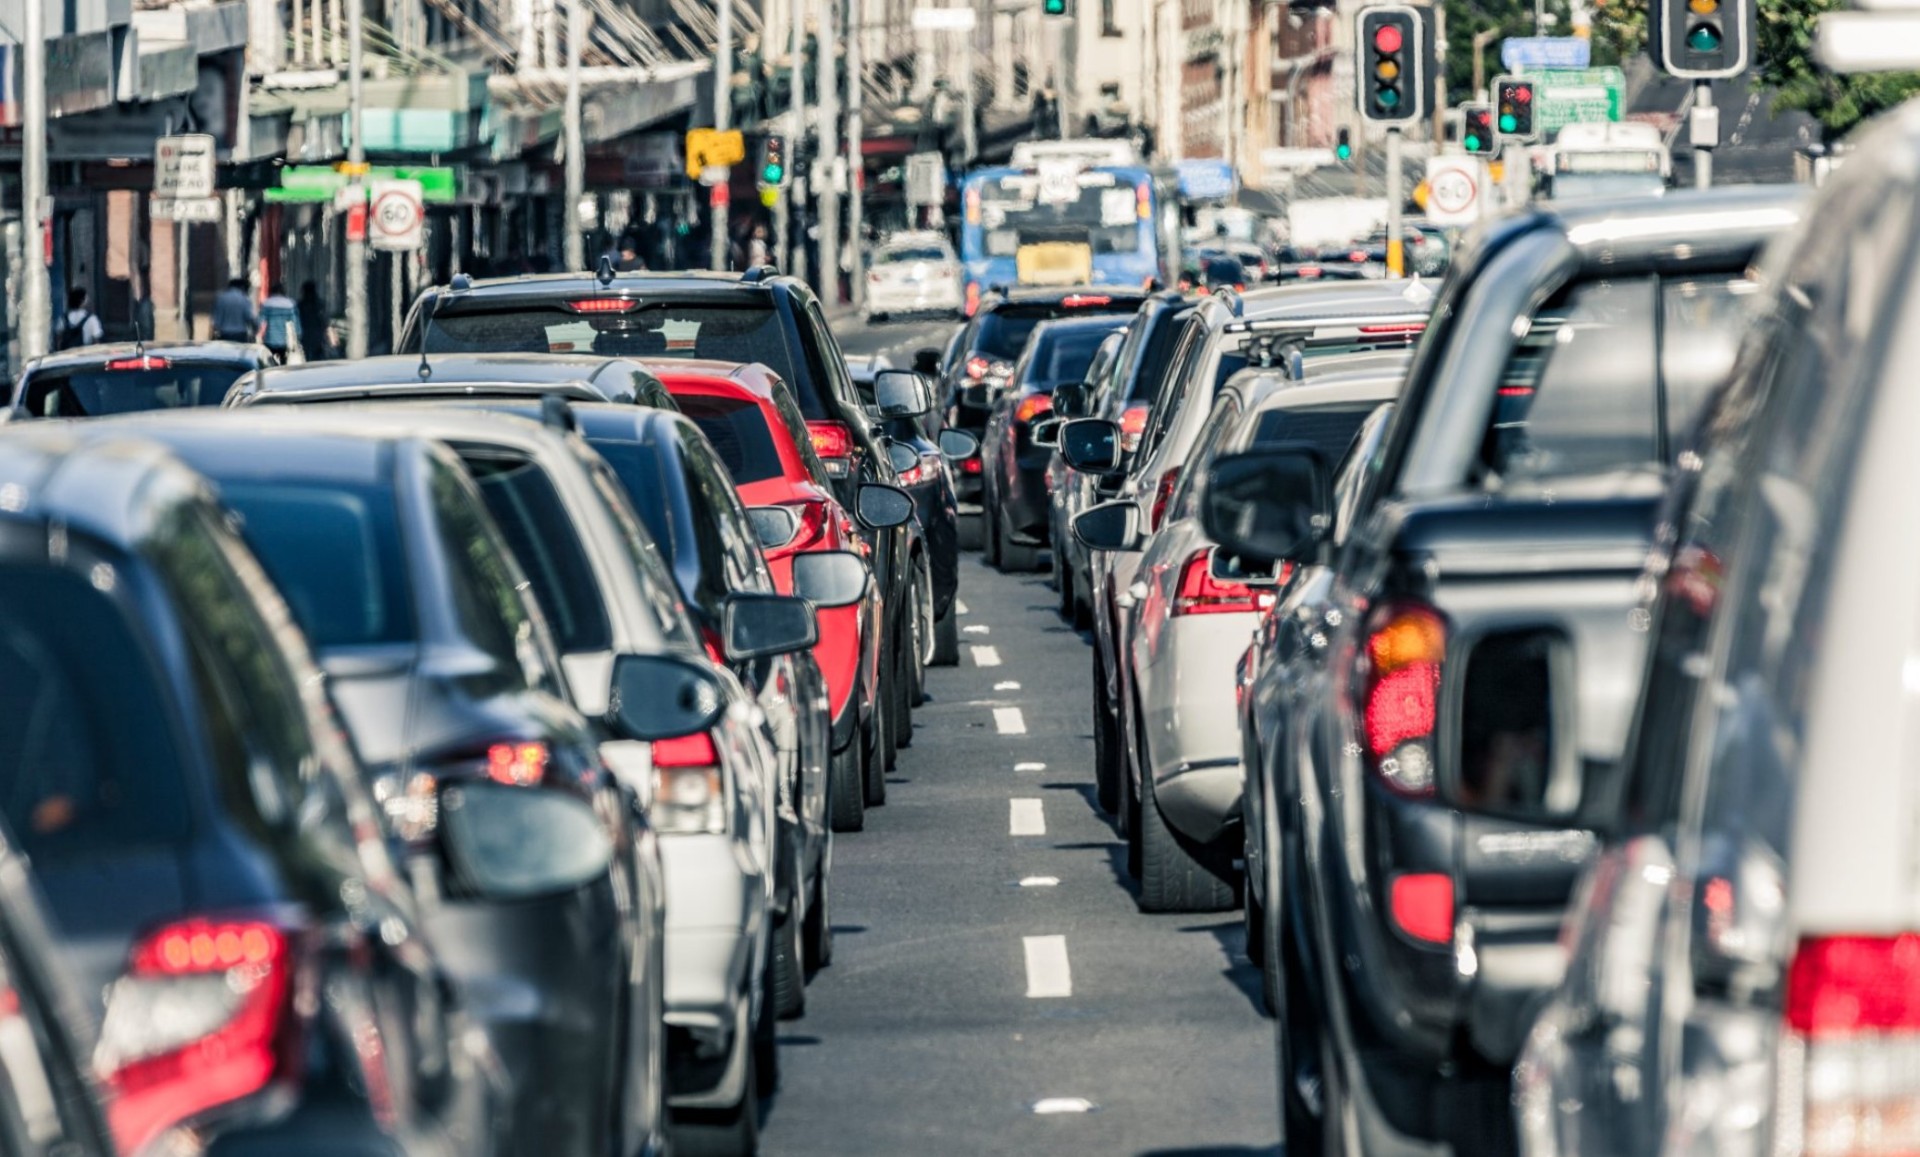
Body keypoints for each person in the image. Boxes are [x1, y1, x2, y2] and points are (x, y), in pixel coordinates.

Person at [258, 283, 301, 363]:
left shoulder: (267, 303)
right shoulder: (289, 304)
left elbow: (260, 321)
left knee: (269, 363)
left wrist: (256, 333)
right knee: (283, 362)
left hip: (269, 339)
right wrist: (298, 335)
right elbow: (295, 322)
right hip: (283, 340)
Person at [212, 278, 256, 343]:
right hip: (240, 334)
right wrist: (255, 330)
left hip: (224, 334)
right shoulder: (244, 299)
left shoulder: (221, 298)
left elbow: (216, 320)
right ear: (242, 287)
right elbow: (250, 317)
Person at [297, 281, 329, 362]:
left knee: (306, 355)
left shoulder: (300, 305)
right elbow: (324, 319)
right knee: (318, 355)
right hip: (318, 333)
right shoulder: (320, 304)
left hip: (305, 333)